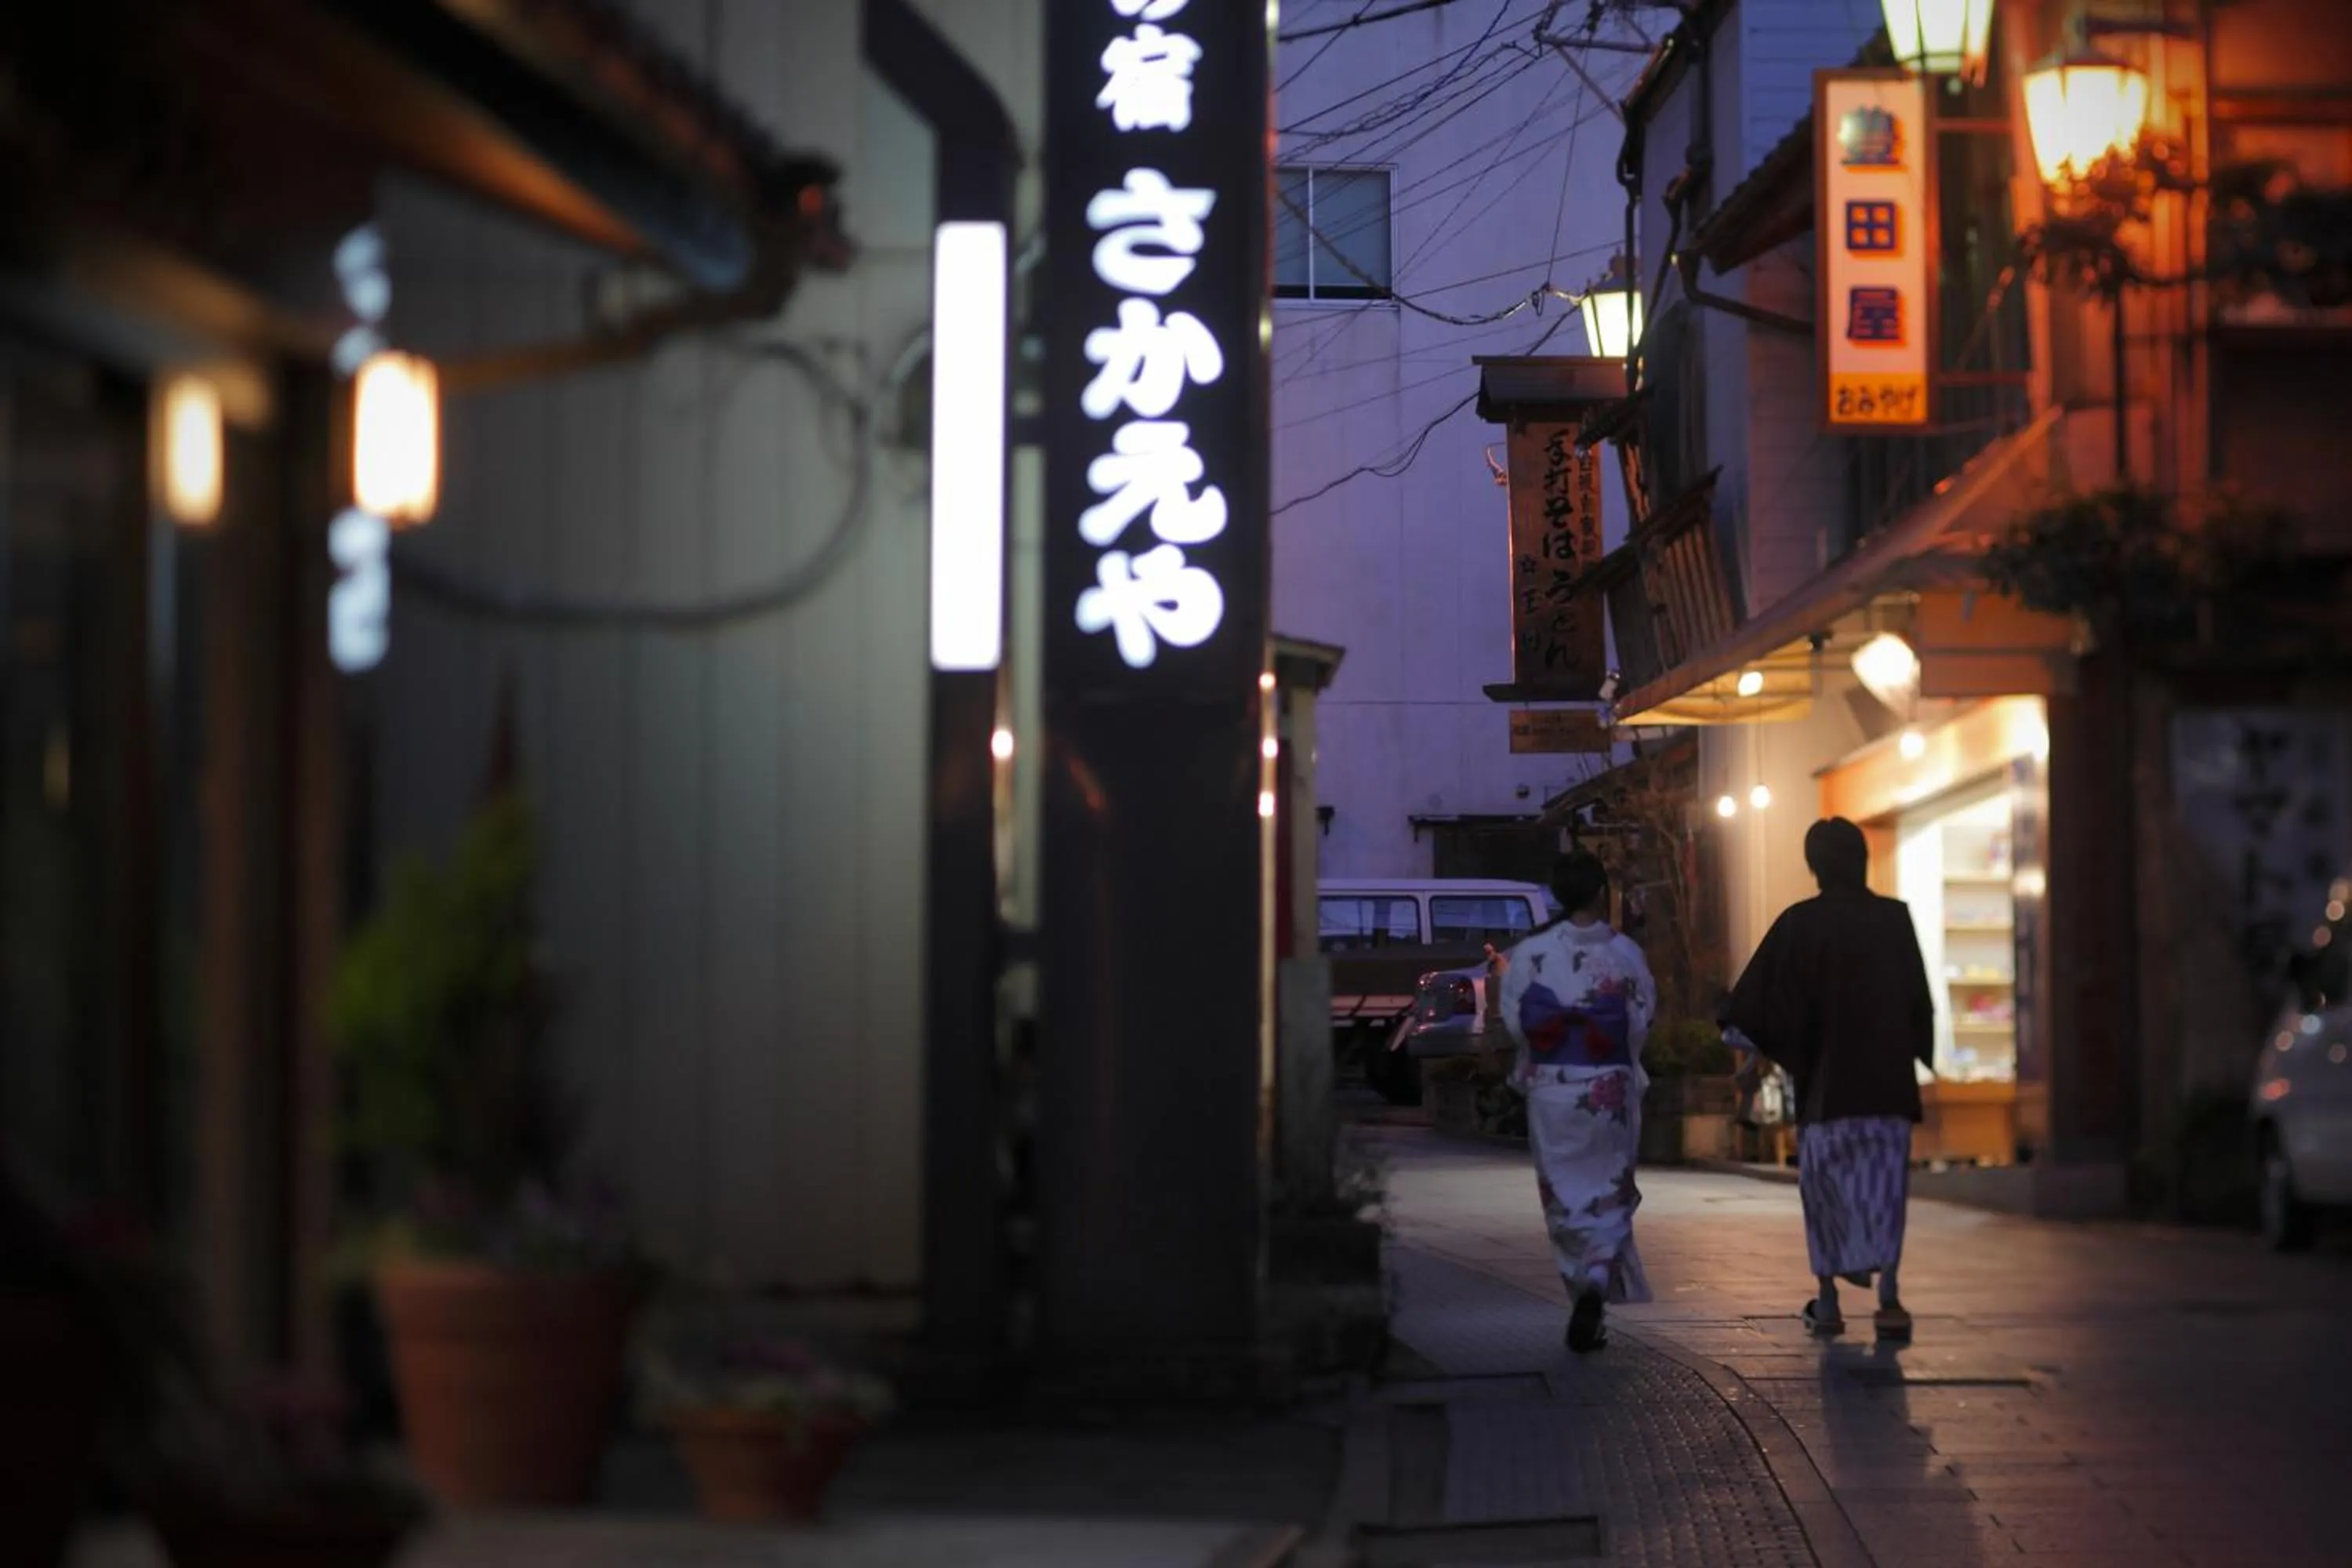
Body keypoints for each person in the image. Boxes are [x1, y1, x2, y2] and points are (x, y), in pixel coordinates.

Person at [1722, 817, 1934, 1342]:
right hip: (1886, 1087)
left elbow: (1759, 1005)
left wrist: (1757, 1060)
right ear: (1862, 859)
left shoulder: (1800, 923)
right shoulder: (1894, 918)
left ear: (1814, 865)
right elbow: (1917, 1000)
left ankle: (1830, 1299)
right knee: (1884, 1194)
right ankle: (1889, 1298)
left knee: (1825, 1196)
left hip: (1826, 1089)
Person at [1494, 849, 1657, 1352]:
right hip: (1608, 1085)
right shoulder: (1625, 953)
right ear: (1600, 893)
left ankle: (1583, 1288)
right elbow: (1640, 1020)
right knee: (1611, 1188)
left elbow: (1517, 1021)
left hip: (1552, 1087)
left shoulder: (1530, 954)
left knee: (1563, 1195)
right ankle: (1599, 1275)